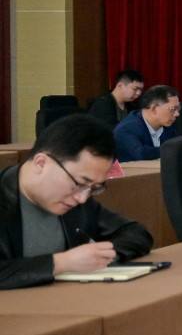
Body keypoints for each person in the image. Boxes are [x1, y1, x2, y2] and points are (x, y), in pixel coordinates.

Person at [0, 114, 153, 288]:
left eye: (94, 188)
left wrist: (101, 256)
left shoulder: (76, 201)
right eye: (79, 183)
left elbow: (136, 233)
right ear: (41, 163)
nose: (82, 198)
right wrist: (62, 263)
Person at [111, 85, 180, 163]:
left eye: (178, 108)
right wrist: (173, 150)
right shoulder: (126, 129)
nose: (177, 114)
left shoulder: (169, 125)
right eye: (173, 109)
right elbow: (141, 154)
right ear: (154, 109)